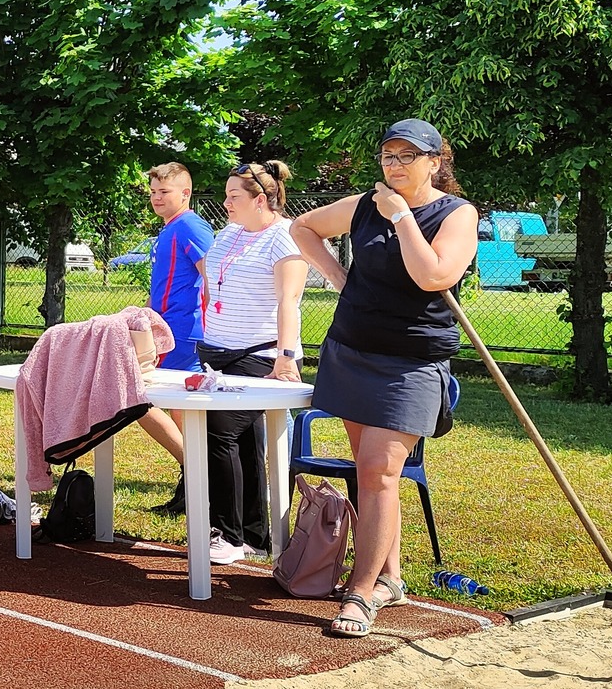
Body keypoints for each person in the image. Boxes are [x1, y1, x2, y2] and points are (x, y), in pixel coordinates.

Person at [291, 119, 477, 638]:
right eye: (388, 156)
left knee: (378, 472)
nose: (394, 165)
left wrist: (402, 219)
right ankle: (390, 579)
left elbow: (434, 276)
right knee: (371, 473)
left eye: (406, 156)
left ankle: (359, 593)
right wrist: (337, 276)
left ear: (435, 161)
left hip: (412, 362)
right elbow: (301, 227)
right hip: (351, 351)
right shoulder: (363, 204)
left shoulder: (456, 213)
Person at [193, 160, 306, 563]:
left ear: (261, 199)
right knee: (242, 440)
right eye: (226, 195)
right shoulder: (227, 234)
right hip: (217, 355)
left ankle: (226, 532)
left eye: (234, 196)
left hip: (259, 357)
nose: (225, 203)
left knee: (218, 432)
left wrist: (286, 358)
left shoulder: (286, 237)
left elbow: (288, 301)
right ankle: (255, 535)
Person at [143, 162, 213, 516]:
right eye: (153, 191)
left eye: (164, 192)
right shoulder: (169, 229)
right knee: (172, 407)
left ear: (185, 193)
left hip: (184, 333)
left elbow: (212, 276)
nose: (157, 198)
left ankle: (201, 477)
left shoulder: (190, 226)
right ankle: (194, 482)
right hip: (165, 329)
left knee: (139, 399)